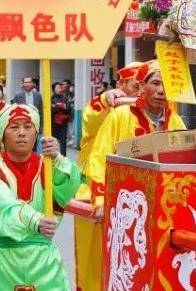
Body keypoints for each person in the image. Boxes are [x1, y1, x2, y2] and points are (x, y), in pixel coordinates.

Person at [0, 104, 81, 291]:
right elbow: (2, 205)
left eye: (28, 127)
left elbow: (68, 188)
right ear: (3, 135)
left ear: (36, 134)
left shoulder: (48, 166)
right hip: (3, 259)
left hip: (43, 259)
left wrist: (57, 158)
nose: (21, 133)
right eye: (14, 127)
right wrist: (36, 220)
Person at [74, 61, 142, 291]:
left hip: (133, 203)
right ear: (120, 84)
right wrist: (105, 99)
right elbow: (89, 118)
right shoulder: (108, 108)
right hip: (95, 194)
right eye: (136, 85)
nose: (141, 92)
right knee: (93, 264)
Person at [86, 60, 186, 213]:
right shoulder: (121, 115)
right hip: (125, 203)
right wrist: (100, 198)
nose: (161, 90)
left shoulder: (176, 121)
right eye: (156, 83)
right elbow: (99, 159)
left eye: (166, 84)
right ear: (141, 86)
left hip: (163, 205)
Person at [12, 76, 44, 152]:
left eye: (29, 82)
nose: (27, 84)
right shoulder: (18, 96)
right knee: (23, 144)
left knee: (34, 144)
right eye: (25, 82)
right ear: (23, 84)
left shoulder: (38, 96)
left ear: (32, 84)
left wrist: (41, 125)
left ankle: (33, 161)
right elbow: (14, 111)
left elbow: (41, 111)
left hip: (35, 124)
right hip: (22, 124)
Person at [50, 82, 72, 157]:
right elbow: (51, 110)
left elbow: (68, 109)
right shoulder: (51, 99)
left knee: (63, 143)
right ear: (54, 89)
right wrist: (60, 107)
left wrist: (58, 107)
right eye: (57, 88)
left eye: (60, 88)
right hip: (53, 124)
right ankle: (53, 158)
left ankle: (63, 158)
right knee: (53, 142)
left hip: (63, 124)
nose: (59, 89)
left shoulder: (65, 98)